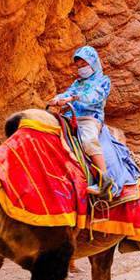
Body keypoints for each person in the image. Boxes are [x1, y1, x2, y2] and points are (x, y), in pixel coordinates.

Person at [50, 46, 111, 195]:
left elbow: (94, 97)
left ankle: (105, 180)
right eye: (78, 66)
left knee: (88, 139)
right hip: (71, 117)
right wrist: (57, 99)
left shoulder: (103, 81)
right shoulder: (77, 83)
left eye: (84, 64)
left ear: (93, 63)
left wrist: (72, 98)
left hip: (90, 119)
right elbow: (67, 93)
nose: (81, 68)